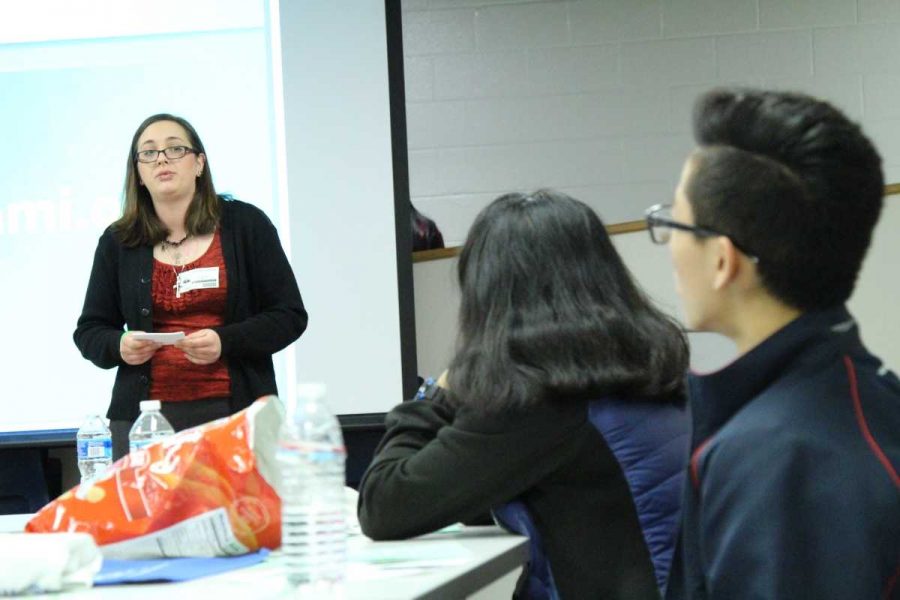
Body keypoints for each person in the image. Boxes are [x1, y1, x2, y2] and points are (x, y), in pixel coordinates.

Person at [358, 190, 691, 599]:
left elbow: (383, 505)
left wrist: (439, 391)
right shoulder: (642, 367)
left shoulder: (540, 399)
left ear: (491, 296)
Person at [647, 88, 900, 599]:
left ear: (723, 260)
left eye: (672, 222)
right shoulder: (862, 390)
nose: (669, 243)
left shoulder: (777, 461)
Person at [74, 114, 307, 460]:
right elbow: (89, 331)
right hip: (145, 425)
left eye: (175, 148)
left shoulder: (246, 226)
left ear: (199, 163)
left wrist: (225, 341)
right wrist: (120, 345)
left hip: (237, 415)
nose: (162, 159)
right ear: (138, 173)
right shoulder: (118, 242)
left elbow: (289, 316)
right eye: (149, 153)